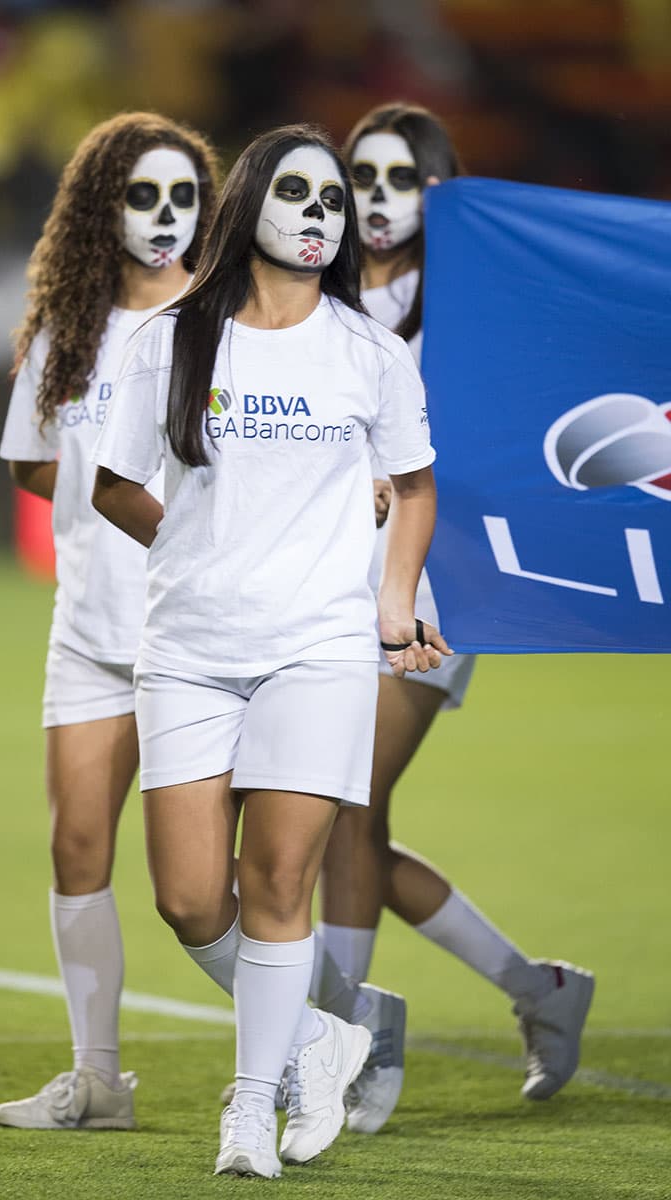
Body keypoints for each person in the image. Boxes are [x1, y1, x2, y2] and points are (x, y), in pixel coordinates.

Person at [91, 123, 451, 1178]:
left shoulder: (367, 354)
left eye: (332, 201)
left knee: (278, 879)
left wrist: (391, 602)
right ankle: (316, 1039)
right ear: (247, 205)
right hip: (190, 648)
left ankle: (251, 1107)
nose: (319, 215)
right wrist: (198, 549)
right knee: (189, 898)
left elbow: (416, 485)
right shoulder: (165, 339)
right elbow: (115, 481)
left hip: (318, 648)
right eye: (297, 194)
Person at [310, 102, 595, 1133]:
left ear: (438, 191)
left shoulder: (472, 305)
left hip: (433, 587)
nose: (376, 197)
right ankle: (537, 989)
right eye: (361, 177)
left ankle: (346, 1045)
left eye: (400, 177)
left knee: (344, 802)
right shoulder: (317, 298)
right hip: (319, 584)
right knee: (340, 816)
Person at [0, 112, 219, 1131]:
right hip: (87, 630)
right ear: (101, 207)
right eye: (143, 196)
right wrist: (102, 511)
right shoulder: (65, 327)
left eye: (183, 197)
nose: (166, 217)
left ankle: (318, 1038)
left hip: (205, 638)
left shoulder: (230, 323)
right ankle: (97, 1082)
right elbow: (33, 463)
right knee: (76, 847)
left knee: (211, 890)